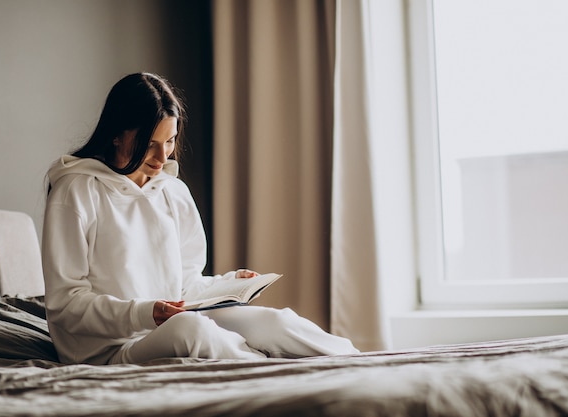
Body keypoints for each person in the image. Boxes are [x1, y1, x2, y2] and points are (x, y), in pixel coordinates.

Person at [42, 72, 359, 365]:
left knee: (272, 322)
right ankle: (271, 374)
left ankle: (358, 361)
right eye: (149, 144)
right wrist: (143, 313)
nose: (162, 157)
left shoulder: (172, 191)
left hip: (164, 323)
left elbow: (186, 287)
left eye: (169, 141)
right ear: (117, 135)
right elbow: (66, 304)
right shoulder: (75, 191)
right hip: (105, 349)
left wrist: (229, 285)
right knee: (191, 331)